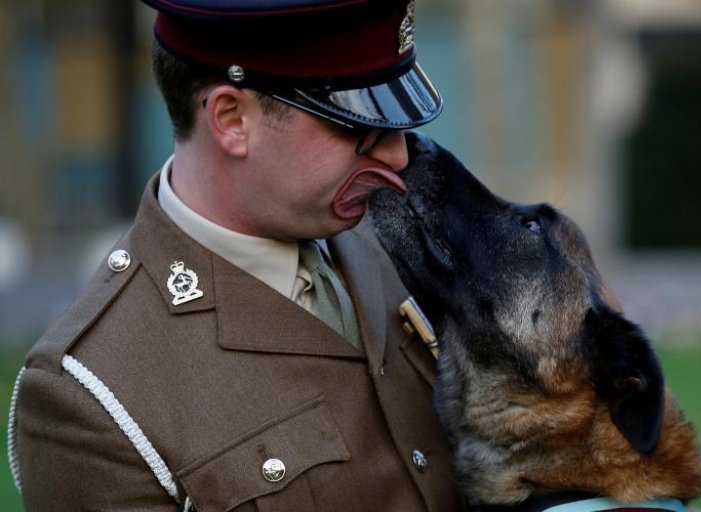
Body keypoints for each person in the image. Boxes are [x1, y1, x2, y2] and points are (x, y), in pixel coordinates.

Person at [7, 1, 464, 510]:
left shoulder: (393, 233)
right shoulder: (92, 393)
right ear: (231, 120)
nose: (398, 157)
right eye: (356, 127)